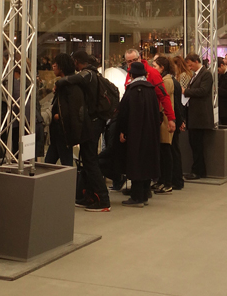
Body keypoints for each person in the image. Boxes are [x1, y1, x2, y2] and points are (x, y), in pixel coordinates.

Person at [55, 51, 112, 211]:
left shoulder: (88, 74)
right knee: (87, 159)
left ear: (77, 61)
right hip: (95, 123)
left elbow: (74, 79)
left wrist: (59, 83)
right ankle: (90, 196)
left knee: (90, 160)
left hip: (92, 124)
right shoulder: (94, 74)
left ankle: (103, 200)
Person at [115, 61, 161, 206]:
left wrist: (123, 131)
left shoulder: (132, 90)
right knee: (146, 161)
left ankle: (136, 197)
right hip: (151, 132)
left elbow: (124, 113)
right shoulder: (150, 89)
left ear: (131, 74)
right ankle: (145, 194)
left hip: (135, 132)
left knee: (135, 162)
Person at [44, 52, 78, 167]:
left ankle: (71, 184)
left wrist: (58, 115)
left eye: (56, 64)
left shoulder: (67, 85)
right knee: (50, 162)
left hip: (62, 131)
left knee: (64, 163)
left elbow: (72, 107)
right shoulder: (64, 84)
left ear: (61, 67)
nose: (53, 66)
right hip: (58, 132)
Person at [183, 53, 213, 179]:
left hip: (200, 116)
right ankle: (197, 169)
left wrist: (186, 91)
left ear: (196, 61)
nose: (189, 67)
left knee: (197, 145)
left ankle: (199, 171)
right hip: (193, 115)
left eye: (190, 64)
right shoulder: (195, 76)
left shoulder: (206, 74)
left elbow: (203, 91)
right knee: (194, 144)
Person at [152, 54, 177, 193]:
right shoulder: (164, 79)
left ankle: (167, 182)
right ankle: (162, 180)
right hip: (164, 119)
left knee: (166, 151)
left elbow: (164, 100)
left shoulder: (166, 81)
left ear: (161, 68)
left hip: (165, 120)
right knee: (162, 152)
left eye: (155, 66)